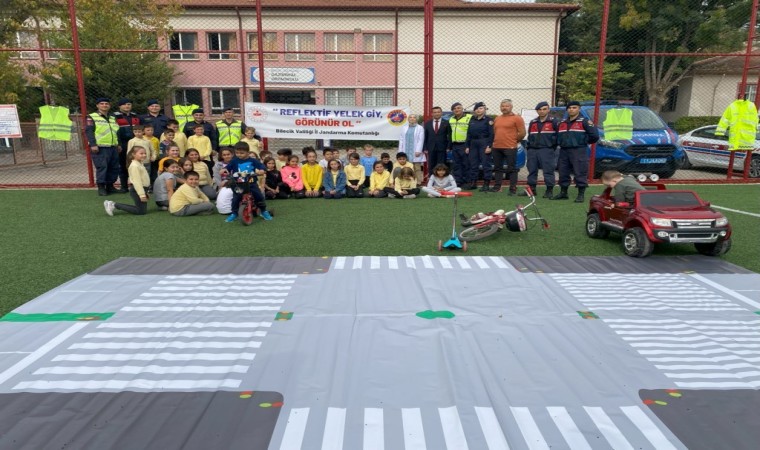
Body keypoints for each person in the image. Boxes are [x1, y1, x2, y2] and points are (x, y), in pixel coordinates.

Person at [553, 100, 599, 203]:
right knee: (563, 171)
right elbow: (557, 136)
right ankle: (563, 193)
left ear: (579, 109)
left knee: (580, 171)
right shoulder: (562, 123)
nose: (571, 110)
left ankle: (580, 194)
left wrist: (583, 142)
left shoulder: (585, 122)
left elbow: (595, 136)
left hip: (579, 150)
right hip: (564, 151)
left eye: (574, 108)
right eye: (569, 108)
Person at [225, 141, 272, 222]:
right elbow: (228, 168)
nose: (239, 155)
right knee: (236, 198)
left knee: (259, 196)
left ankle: (263, 211)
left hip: (251, 183)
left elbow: (261, 166)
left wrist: (262, 170)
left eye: (242, 153)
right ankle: (234, 213)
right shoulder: (234, 161)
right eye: (237, 153)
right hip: (239, 183)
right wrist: (224, 170)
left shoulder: (253, 160)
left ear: (247, 152)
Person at [85, 97, 120, 196]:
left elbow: (116, 131)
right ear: (97, 105)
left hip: (113, 146)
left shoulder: (112, 117)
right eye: (102, 104)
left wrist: (118, 144)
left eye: (106, 104)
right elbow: (89, 131)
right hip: (100, 147)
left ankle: (110, 186)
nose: (104, 105)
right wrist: (93, 144)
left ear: (109, 105)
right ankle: (101, 187)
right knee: (102, 167)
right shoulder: (91, 117)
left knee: (113, 167)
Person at [491, 99, 526, 195]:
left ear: (511, 107)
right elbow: (495, 131)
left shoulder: (517, 118)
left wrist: (514, 141)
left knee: (512, 169)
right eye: (502, 106)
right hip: (497, 147)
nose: (504, 108)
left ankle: (512, 188)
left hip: (510, 147)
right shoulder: (497, 118)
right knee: (497, 168)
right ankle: (497, 187)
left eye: (507, 106)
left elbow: (522, 133)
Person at [525, 101, 559, 199]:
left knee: (548, 170)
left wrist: (551, 146)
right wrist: (529, 148)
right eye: (539, 109)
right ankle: (532, 190)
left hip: (546, 150)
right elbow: (530, 136)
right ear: (537, 111)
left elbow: (558, 136)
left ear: (548, 110)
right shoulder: (533, 122)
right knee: (532, 170)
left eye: (544, 109)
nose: (542, 111)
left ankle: (549, 190)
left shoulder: (554, 121)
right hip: (533, 150)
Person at [103, 146, 150, 216]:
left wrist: (145, 192)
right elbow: (137, 182)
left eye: (145, 153)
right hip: (137, 190)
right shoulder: (134, 166)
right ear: (133, 154)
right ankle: (113, 205)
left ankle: (113, 204)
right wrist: (142, 194)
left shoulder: (139, 164)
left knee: (142, 210)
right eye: (141, 153)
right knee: (141, 211)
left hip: (142, 189)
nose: (144, 155)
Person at [113, 98, 142, 193]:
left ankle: (135, 185)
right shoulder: (114, 116)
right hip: (123, 144)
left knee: (136, 164)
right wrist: (118, 144)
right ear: (119, 106)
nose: (127, 106)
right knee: (123, 165)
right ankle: (124, 186)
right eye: (124, 104)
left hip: (135, 143)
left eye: (129, 104)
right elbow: (114, 131)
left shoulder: (135, 116)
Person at [466, 102, 494, 191]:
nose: (478, 110)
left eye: (481, 108)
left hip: (484, 142)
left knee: (486, 164)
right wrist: (467, 146)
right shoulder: (472, 120)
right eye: (477, 109)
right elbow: (468, 134)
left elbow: (491, 134)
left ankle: (486, 184)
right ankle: (473, 183)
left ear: (484, 110)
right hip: (473, 143)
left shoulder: (489, 120)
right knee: (473, 164)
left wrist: (489, 146)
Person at [448, 102, 472, 188]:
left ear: (462, 109)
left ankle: (468, 182)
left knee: (466, 164)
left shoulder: (469, 117)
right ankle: (458, 181)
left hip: (465, 144)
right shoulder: (451, 119)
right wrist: (449, 146)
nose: (456, 110)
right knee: (457, 165)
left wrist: (468, 145)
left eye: (458, 108)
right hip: (455, 145)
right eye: (454, 109)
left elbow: (471, 132)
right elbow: (450, 133)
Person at [423, 106, 451, 179]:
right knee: (431, 164)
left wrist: (448, 147)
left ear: (441, 113)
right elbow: (425, 136)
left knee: (442, 164)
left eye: (438, 112)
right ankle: (431, 179)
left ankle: (442, 180)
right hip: (431, 147)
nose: (437, 114)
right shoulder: (427, 123)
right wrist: (425, 147)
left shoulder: (446, 123)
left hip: (442, 147)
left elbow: (449, 136)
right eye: (435, 112)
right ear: (432, 114)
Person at [398, 113, 426, 184]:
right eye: (410, 117)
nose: (412, 118)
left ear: (416, 119)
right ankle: (407, 182)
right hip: (406, 151)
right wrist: (400, 151)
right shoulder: (404, 128)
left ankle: (418, 182)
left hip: (415, 151)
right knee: (407, 167)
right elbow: (401, 140)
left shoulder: (420, 128)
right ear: (408, 119)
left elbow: (421, 140)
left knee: (417, 167)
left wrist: (418, 150)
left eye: (414, 117)